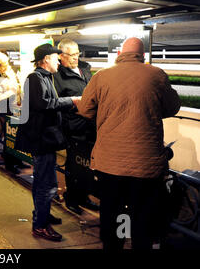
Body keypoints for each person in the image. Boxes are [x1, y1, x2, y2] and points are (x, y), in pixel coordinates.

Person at [76, 37, 181, 249]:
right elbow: (172, 107)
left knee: (113, 212)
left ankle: (114, 245)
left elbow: (85, 110)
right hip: (147, 165)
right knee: (143, 215)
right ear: (143, 56)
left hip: (110, 163)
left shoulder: (102, 76)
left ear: (119, 55)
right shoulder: (156, 75)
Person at [15, 43, 80, 241]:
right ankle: (40, 226)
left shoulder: (44, 77)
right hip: (41, 140)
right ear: (45, 60)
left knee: (42, 182)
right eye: (55, 58)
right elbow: (42, 103)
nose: (59, 61)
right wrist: (73, 101)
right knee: (47, 184)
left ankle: (42, 215)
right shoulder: (35, 78)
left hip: (44, 139)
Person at [53, 38, 98, 215]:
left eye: (77, 54)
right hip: (73, 127)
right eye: (71, 55)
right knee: (74, 165)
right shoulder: (57, 76)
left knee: (88, 164)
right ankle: (72, 198)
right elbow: (56, 102)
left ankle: (84, 196)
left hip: (91, 125)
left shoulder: (86, 70)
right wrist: (74, 105)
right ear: (61, 56)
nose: (75, 58)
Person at [0, 52, 26, 174]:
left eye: (8, 64)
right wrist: (11, 92)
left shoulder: (7, 72)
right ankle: (9, 163)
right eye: (4, 65)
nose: (7, 66)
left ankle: (17, 159)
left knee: (15, 136)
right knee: (7, 137)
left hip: (13, 109)